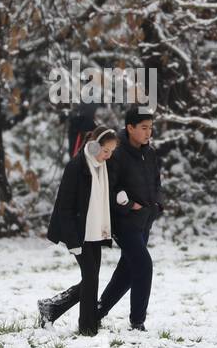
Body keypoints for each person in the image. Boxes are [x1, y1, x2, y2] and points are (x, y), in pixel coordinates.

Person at [39, 126, 119, 335]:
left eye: (111, 152)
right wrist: (73, 241)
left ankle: (52, 307)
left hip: (95, 233)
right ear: (93, 146)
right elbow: (64, 207)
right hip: (79, 233)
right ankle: (88, 328)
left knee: (91, 279)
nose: (108, 156)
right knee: (91, 278)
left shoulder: (102, 167)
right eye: (105, 151)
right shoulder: (76, 167)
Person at [97, 105, 162, 331]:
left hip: (144, 221)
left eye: (150, 128)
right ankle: (137, 322)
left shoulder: (151, 153)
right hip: (123, 223)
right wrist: (129, 205)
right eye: (143, 128)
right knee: (143, 265)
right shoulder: (116, 153)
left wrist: (155, 206)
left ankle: (96, 312)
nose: (148, 133)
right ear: (130, 127)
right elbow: (108, 190)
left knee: (127, 272)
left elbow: (156, 184)